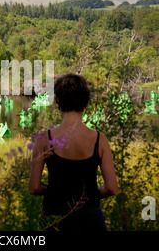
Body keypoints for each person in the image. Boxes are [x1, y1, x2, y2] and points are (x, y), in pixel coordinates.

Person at [28, 73, 118, 231]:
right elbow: (111, 187)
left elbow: (34, 187)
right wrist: (91, 195)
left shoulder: (44, 139)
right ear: (86, 102)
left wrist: (56, 191)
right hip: (91, 219)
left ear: (57, 102)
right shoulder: (99, 139)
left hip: (55, 218)